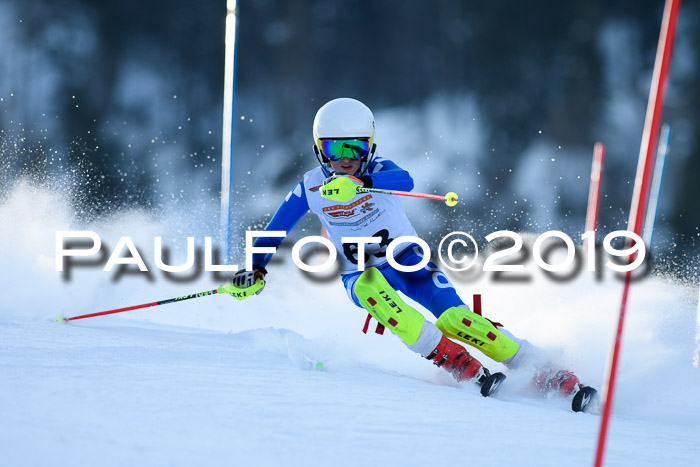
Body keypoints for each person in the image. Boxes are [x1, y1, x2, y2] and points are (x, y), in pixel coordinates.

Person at [221, 97, 597, 411]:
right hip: (359, 272)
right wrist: (254, 268)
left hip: (409, 263)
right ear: (320, 148)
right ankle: (454, 361)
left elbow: (405, 181)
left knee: (457, 320)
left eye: (357, 148)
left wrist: (361, 183)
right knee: (374, 292)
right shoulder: (311, 186)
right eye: (337, 149)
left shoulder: (379, 171)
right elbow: (276, 228)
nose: (347, 158)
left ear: (370, 146)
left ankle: (544, 369)